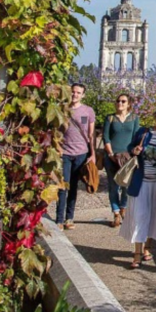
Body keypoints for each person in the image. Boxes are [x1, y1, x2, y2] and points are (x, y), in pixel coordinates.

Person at [120, 106, 156, 269]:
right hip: (141, 182)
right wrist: (134, 150)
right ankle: (137, 253)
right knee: (139, 215)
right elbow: (130, 147)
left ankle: (147, 248)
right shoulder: (144, 132)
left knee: (154, 217)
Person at [55, 82, 96, 230]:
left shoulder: (88, 111)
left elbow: (91, 135)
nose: (75, 95)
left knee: (73, 187)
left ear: (83, 95)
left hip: (81, 153)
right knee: (63, 186)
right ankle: (59, 219)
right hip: (66, 152)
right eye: (73, 92)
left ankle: (69, 218)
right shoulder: (62, 109)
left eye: (78, 93)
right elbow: (57, 131)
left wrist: (93, 154)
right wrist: (58, 148)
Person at [103, 93, 140, 228]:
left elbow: (136, 136)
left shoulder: (134, 118)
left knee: (126, 185)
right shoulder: (110, 118)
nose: (120, 103)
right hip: (112, 157)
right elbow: (106, 137)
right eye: (118, 101)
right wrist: (111, 154)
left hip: (127, 158)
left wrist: (134, 153)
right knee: (113, 186)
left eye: (123, 101)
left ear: (129, 103)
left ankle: (123, 207)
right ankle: (116, 213)